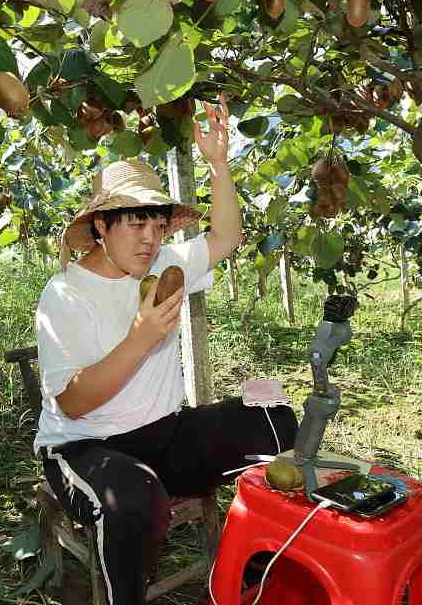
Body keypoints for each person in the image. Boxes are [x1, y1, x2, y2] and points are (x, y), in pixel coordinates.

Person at [34, 97, 298, 605]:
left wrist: (218, 163)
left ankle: (254, 575)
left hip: (165, 433)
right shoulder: (65, 295)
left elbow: (226, 236)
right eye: (136, 224)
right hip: (85, 448)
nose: (151, 240)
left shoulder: (164, 267)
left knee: (279, 423)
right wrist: (141, 338)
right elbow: (72, 402)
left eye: (158, 227)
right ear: (100, 227)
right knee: (133, 500)